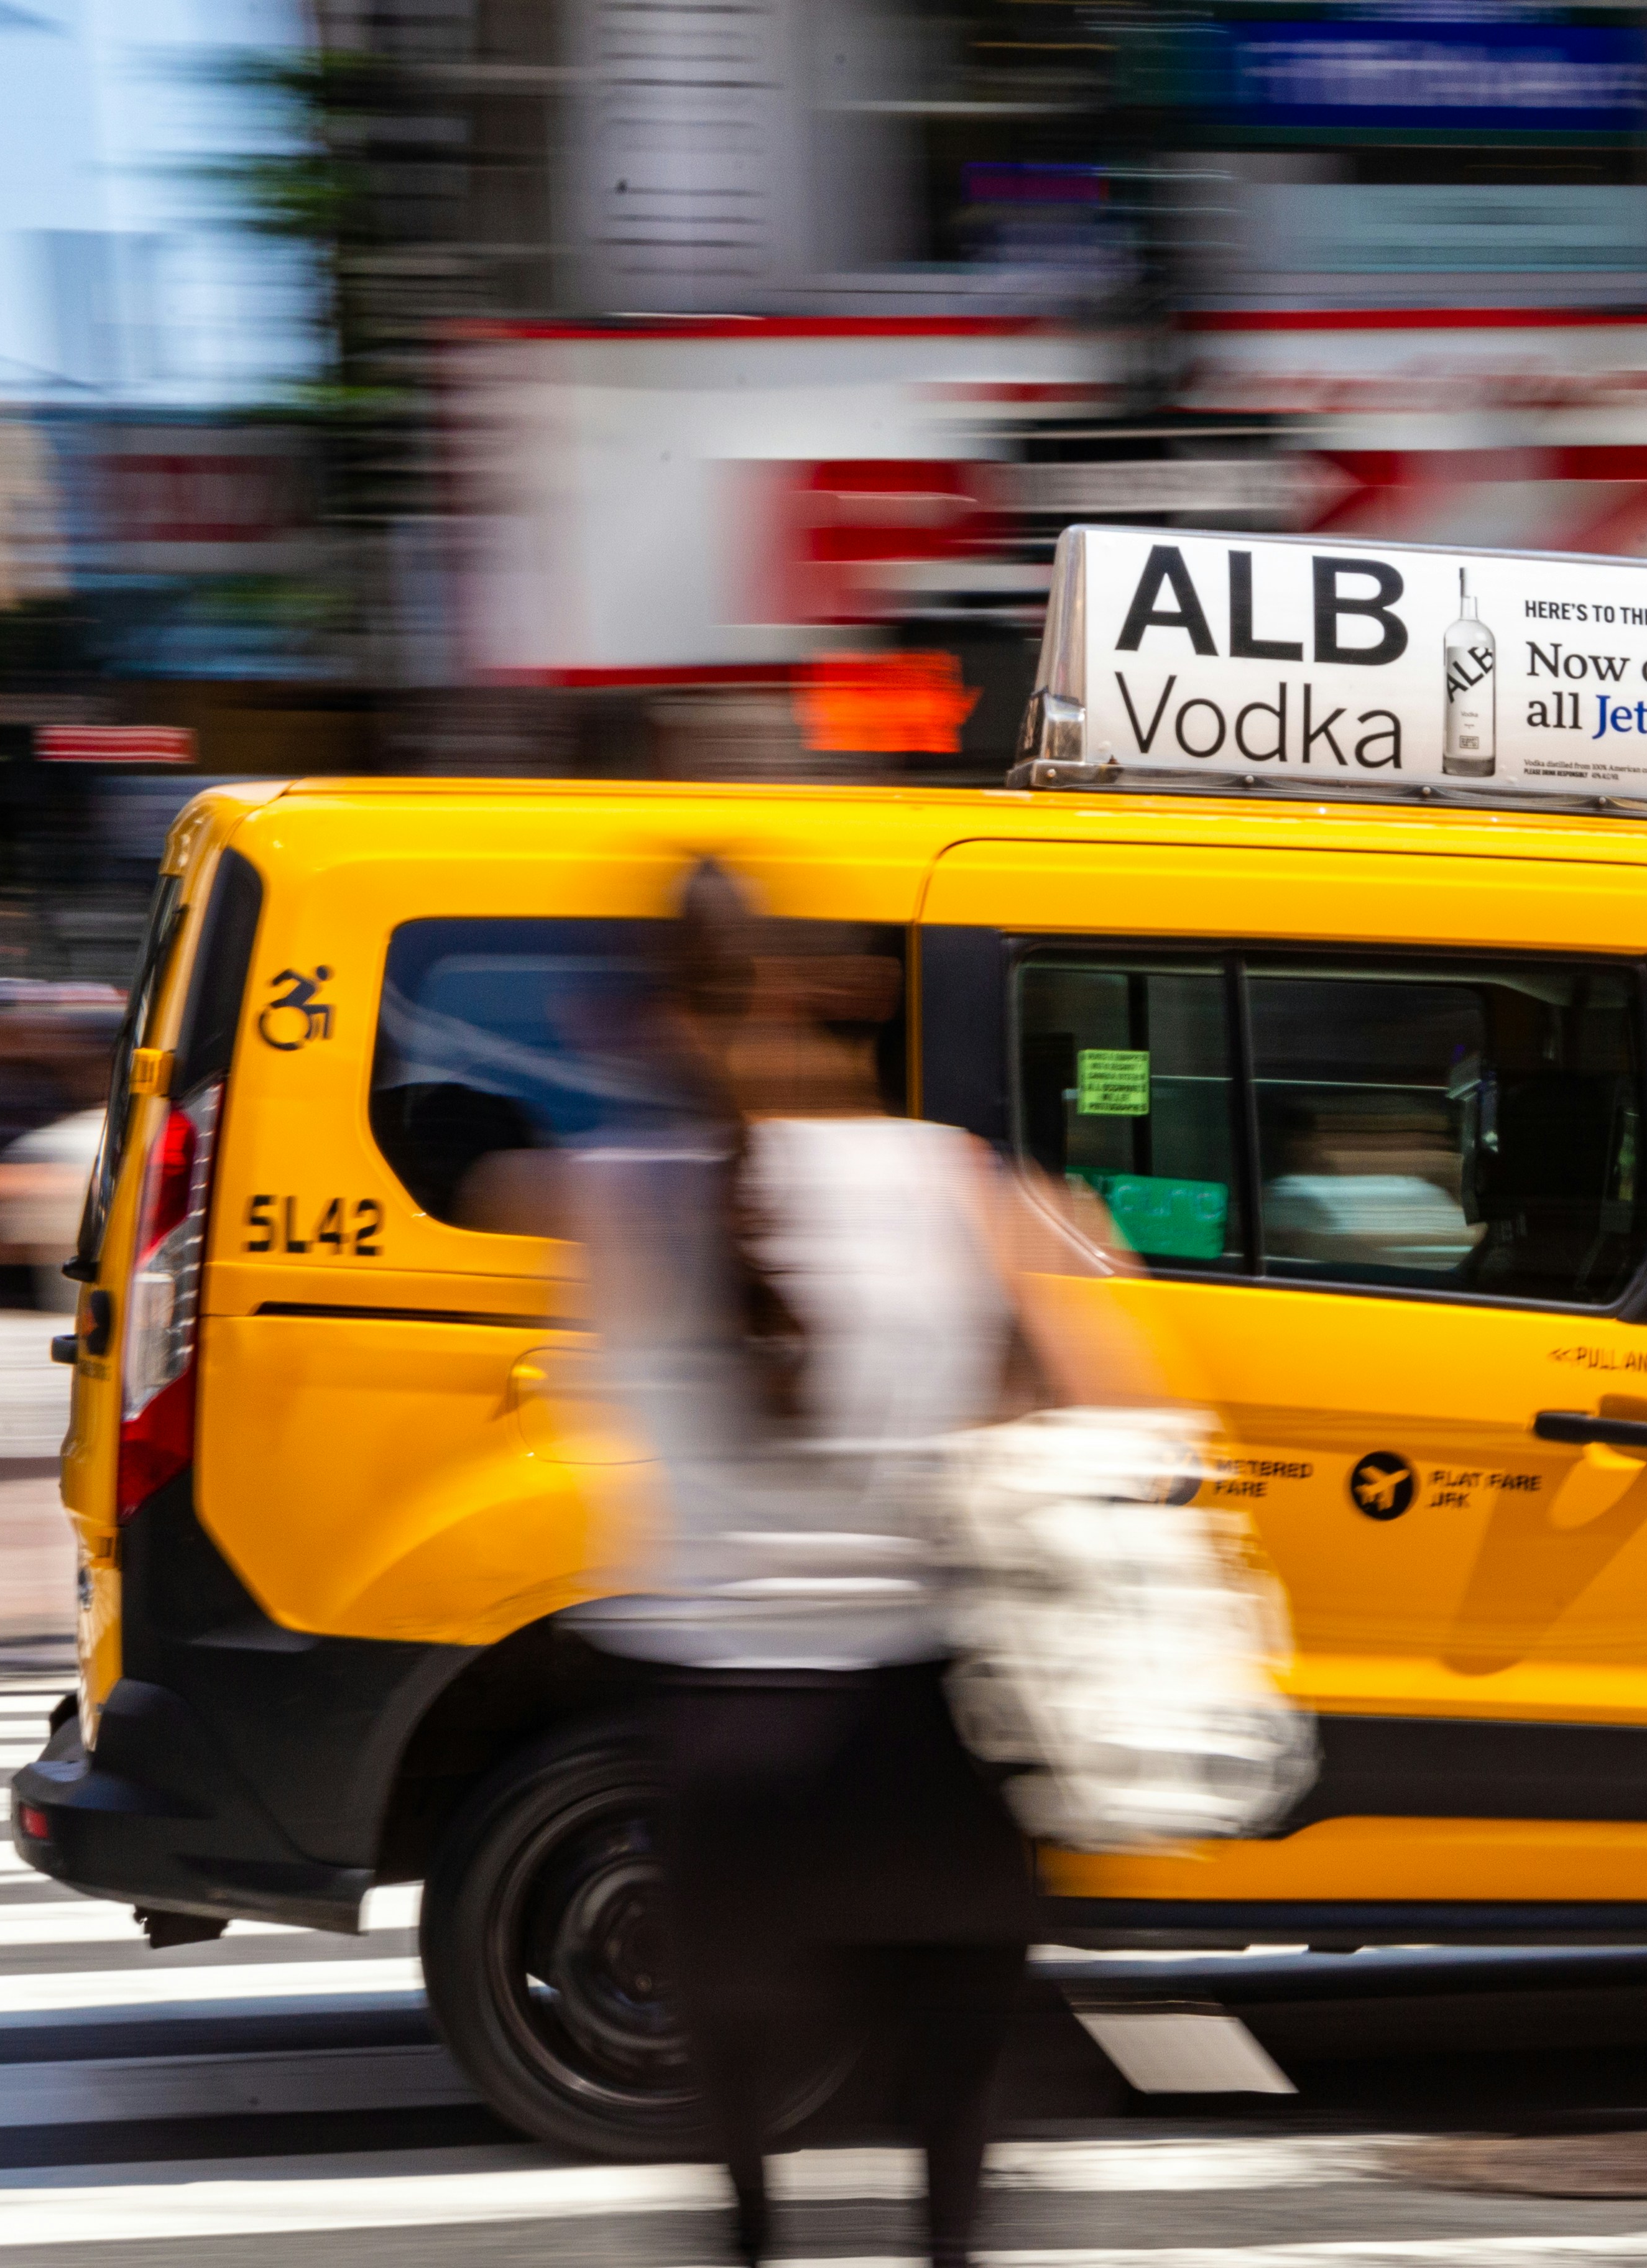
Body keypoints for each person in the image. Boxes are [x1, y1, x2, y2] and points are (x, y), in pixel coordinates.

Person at [568, 860, 1146, 2268]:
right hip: (925, 1746)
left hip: (726, 1768)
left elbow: (607, 1435)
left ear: (658, 1018)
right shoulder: (955, 1182)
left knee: (750, 2207)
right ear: (817, 1000)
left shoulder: (611, 1200)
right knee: (949, 2179)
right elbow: (1114, 1398)